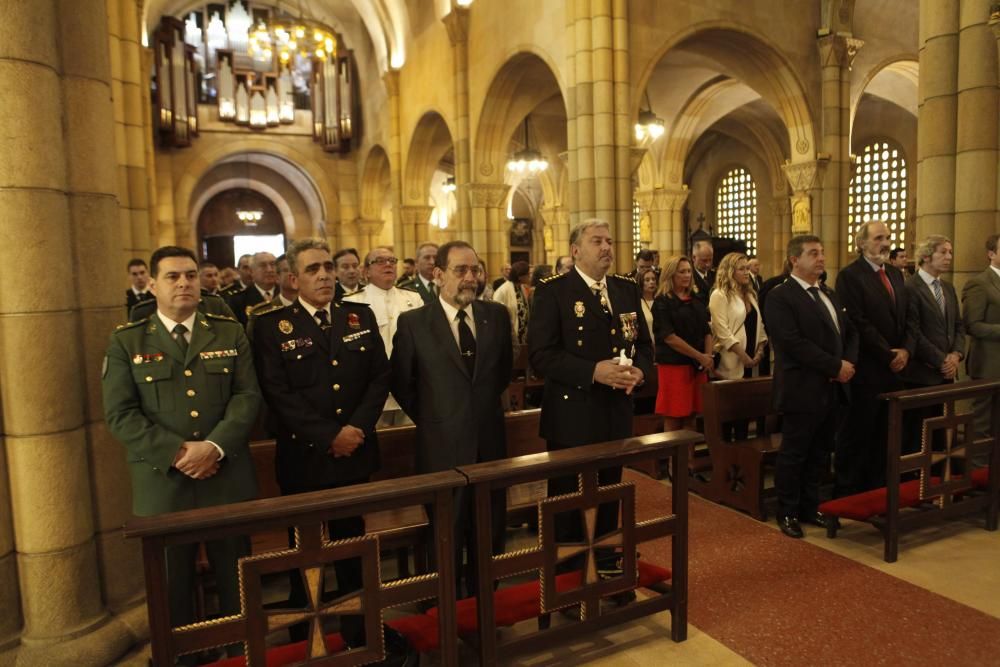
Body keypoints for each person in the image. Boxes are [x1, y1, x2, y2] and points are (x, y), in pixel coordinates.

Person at [251, 239, 413, 663]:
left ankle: (361, 631)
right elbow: (278, 394)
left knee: (353, 549)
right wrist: (329, 436)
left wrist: (356, 428)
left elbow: (380, 376)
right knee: (306, 555)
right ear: (293, 279)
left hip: (354, 454)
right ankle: (312, 635)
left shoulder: (358, 315)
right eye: (312, 270)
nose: (324, 275)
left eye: (328, 267)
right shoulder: (272, 326)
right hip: (305, 458)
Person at [102, 245, 261, 640]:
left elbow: (248, 397)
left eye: (190, 275)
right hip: (164, 485)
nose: (184, 283)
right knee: (170, 591)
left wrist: (214, 447)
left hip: (226, 477)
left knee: (237, 585)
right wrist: (177, 453)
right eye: (173, 276)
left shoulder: (228, 331)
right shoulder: (128, 342)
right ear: (152, 284)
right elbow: (120, 414)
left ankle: (238, 655)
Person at [528, 219, 653, 597]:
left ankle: (608, 571)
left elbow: (644, 347)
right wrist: (592, 372)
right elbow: (540, 356)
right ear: (575, 250)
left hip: (615, 413)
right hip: (572, 417)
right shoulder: (554, 292)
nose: (606, 248)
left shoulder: (625, 289)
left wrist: (640, 375)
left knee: (610, 495)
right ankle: (568, 583)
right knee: (568, 503)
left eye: (609, 240)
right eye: (597, 241)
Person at [391, 240, 513, 599]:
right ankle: (441, 608)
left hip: (490, 444)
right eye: (461, 270)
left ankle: (484, 605)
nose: (470, 278)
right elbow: (402, 382)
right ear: (438, 274)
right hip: (440, 448)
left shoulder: (495, 317)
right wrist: (436, 418)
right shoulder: (414, 323)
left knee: (489, 532)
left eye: (475, 270)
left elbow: (501, 373)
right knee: (444, 534)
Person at [765, 235, 857, 538]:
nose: (821, 258)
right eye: (813, 253)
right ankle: (788, 511)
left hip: (831, 387)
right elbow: (791, 343)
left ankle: (809, 505)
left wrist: (846, 364)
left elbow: (848, 332)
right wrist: (834, 366)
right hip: (801, 387)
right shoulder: (781, 296)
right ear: (795, 260)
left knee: (819, 452)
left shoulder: (827, 293)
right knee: (795, 453)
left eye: (822, 252)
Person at [835, 219, 912, 495]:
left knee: (886, 434)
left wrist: (906, 350)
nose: (886, 243)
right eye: (879, 237)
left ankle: (879, 488)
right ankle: (849, 491)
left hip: (895, 369)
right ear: (862, 243)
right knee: (859, 432)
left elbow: (907, 318)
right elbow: (858, 321)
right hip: (868, 368)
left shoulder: (894, 274)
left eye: (888, 237)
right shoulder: (850, 276)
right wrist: (887, 353)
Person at [344, 247, 422, 427]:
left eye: (392, 261)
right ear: (366, 271)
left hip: (409, 388)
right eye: (379, 261)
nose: (388, 264)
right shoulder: (352, 303)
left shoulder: (413, 298)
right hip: (372, 393)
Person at [709, 252, 768, 440]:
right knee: (728, 416)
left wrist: (759, 350)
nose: (746, 272)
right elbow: (722, 331)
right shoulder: (719, 295)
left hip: (750, 358)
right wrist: (744, 356)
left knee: (743, 414)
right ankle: (726, 461)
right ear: (729, 271)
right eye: (741, 269)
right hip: (732, 359)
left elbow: (759, 324)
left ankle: (743, 459)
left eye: (747, 268)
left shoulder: (750, 294)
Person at [651, 256, 712, 431]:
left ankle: (688, 459)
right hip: (674, 366)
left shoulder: (696, 298)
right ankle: (672, 458)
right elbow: (669, 337)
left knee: (692, 414)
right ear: (671, 274)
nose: (686, 275)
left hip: (697, 366)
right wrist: (700, 356)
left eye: (688, 271)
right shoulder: (663, 302)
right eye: (682, 271)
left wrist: (707, 357)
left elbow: (707, 330)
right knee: (673, 414)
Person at [962, 233, 1000, 467]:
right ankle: (977, 479)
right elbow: (972, 325)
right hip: (988, 364)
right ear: (991, 254)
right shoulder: (979, 283)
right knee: (982, 425)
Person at [227, 251, 278, 327]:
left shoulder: (286, 293)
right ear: (251, 271)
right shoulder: (239, 299)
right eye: (263, 265)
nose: (269, 270)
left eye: (273, 265)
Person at [492, 261, 532, 354]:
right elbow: (496, 315)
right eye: (527, 274)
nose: (529, 277)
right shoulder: (503, 290)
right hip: (510, 337)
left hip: (522, 336)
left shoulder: (520, 287)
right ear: (520, 276)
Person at [691, 239, 716, 305]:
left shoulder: (715, 275)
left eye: (710, 260)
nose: (708, 264)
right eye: (704, 260)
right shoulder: (689, 277)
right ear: (694, 258)